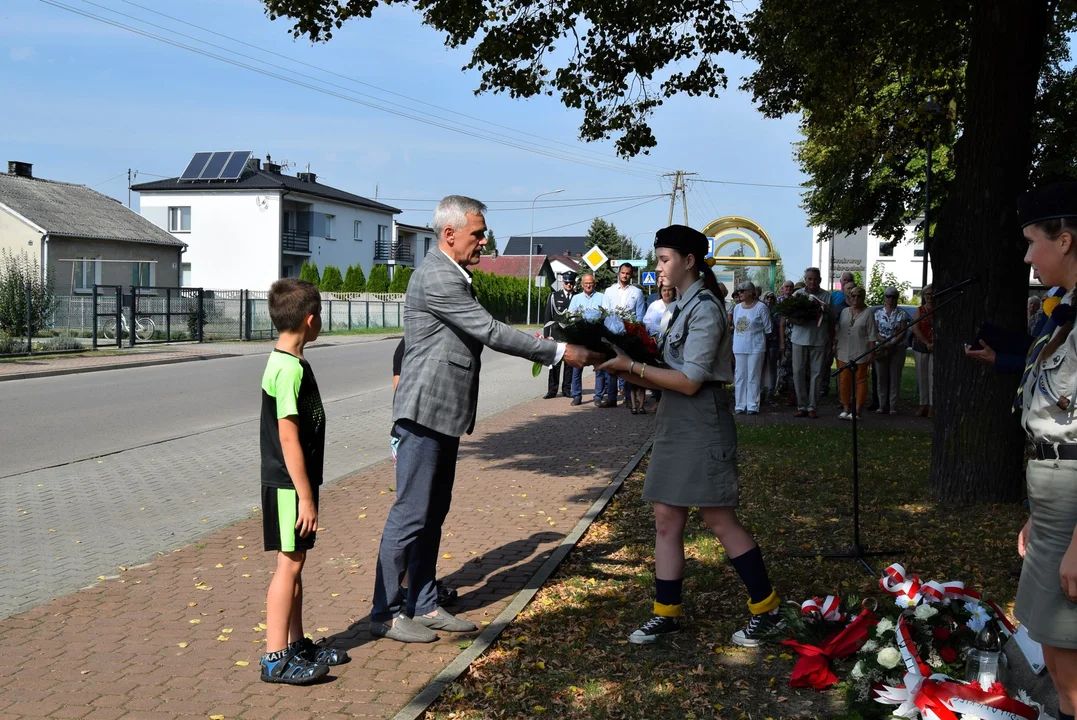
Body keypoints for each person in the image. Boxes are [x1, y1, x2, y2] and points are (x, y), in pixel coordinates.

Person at [371, 196, 600, 644]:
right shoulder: (437, 274)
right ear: (449, 233)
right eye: (478, 233)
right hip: (423, 412)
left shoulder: (454, 273)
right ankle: (384, 612)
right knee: (411, 514)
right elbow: (490, 331)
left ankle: (423, 603)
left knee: (431, 514)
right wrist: (560, 352)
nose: (485, 240)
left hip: (442, 414)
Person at [597, 224, 784, 647]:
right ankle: (666, 614)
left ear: (689, 261)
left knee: (718, 517)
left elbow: (691, 380)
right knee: (666, 520)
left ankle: (768, 609)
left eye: (664, 260)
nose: (658, 268)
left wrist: (631, 368)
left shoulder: (705, 307)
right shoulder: (682, 304)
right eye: (658, 259)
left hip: (701, 419)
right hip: (676, 421)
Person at [258, 279, 346, 684]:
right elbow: (289, 437)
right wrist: (306, 497)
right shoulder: (288, 369)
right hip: (290, 487)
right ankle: (275, 657)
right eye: (321, 315)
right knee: (288, 566)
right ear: (311, 321)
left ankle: (295, 644)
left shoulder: (289, 363)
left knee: (295, 563)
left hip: (294, 486)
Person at [1013, 180, 1077, 720]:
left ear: (1066, 240)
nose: (1029, 255)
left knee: (1072, 670)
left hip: (1074, 512)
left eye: (1034, 241)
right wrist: (1039, 512)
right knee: (1056, 656)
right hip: (1054, 500)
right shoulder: (1065, 313)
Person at [391, 337, 457, 608]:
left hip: (430, 434)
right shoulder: (409, 344)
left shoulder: (428, 339)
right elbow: (401, 394)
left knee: (428, 514)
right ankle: (407, 587)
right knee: (412, 514)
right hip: (413, 435)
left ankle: (421, 586)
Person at [790, 268, 832, 419]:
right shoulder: (797, 295)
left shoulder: (826, 296)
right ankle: (801, 405)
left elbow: (830, 319)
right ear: (805, 279)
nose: (812, 282)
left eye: (815, 279)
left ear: (819, 280)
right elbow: (789, 317)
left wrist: (830, 340)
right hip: (798, 338)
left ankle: (812, 406)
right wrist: (798, 319)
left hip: (818, 339)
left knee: (817, 373)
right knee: (798, 372)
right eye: (809, 279)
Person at [603, 262, 646, 408]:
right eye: (623, 273)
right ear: (618, 273)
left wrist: (635, 330)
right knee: (612, 366)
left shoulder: (637, 292)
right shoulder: (609, 291)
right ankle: (611, 398)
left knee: (629, 366)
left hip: (629, 334)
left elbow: (640, 316)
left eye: (628, 273)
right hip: (612, 334)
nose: (625, 276)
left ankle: (629, 398)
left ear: (631, 275)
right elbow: (605, 313)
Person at [833, 285, 877, 420]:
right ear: (849, 297)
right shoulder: (845, 311)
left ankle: (857, 410)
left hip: (861, 351)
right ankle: (846, 408)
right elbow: (839, 330)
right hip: (843, 350)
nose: (856, 298)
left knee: (861, 380)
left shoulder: (868, 312)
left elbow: (872, 335)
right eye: (853, 296)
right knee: (844, 380)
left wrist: (871, 352)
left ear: (863, 297)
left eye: (859, 296)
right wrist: (834, 345)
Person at [732, 281, 772, 414]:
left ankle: (752, 405)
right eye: (739, 291)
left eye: (742, 291)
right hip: (739, 347)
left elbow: (768, 329)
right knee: (740, 376)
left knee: (753, 377)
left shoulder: (761, 308)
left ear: (751, 292)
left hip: (756, 347)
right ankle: (740, 405)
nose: (740, 294)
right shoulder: (737, 308)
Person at [568, 272, 606, 406]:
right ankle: (576, 395)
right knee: (577, 368)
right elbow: (570, 316)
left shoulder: (602, 297)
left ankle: (598, 396)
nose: (588, 285)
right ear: (582, 285)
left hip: (596, 337)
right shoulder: (576, 298)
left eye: (591, 283)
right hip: (580, 338)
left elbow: (606, 314)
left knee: (599, 367)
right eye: (586, 283)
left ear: (594, 284)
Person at [873, 287, 910, 414]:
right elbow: (875, 331)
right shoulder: (878, 313)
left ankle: (893, 405)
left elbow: (902, 331)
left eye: (893, 296)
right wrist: (884, 342)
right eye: (888, 296)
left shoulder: (902, 313)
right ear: (884, 298)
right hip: (881, 347)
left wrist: (893, 342)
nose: (890, 299)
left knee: (895, 376)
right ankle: (882, 405)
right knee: (881, 376)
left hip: (897, 347)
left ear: (897, 299)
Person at [643, 281, 677, 409]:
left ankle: (671, 398)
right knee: (657, 369)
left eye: (669, 290)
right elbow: (647, 321)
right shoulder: (654, 306)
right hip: (656, 341)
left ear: (673, 291)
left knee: (670, 369)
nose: (667, 293)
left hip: (673, 342)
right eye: (664, 290)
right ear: (660, 292)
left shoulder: (677, 305)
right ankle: (658, 398)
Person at [543, 272, 577, 399]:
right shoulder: (554, 296)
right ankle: (552, 390)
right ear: (562, 282)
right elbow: (548, 317)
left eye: (571, 283)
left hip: (571, 336)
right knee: (554, 364)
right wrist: (546, 336)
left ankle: (567, 389)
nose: (569, 285)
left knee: (569, 365)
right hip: (556, 335)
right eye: (567, 282)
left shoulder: (577, 297)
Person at [911, 284, 935, 418]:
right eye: (927, 294)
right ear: (924, 296)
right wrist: (927, 343)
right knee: (922, 376)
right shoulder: (919, 310)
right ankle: (923, 403)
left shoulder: (940, 310)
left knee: (932, 377)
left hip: (935, 347)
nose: (930, 297)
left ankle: (932, 405)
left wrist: (934, 343)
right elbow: (916, 329)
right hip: (921, 346)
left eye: (932, 294)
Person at [761, 291, 779, 399]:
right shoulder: (761, 309)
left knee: (772, 366)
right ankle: (762, 390)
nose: (769, 299)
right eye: (767, 297)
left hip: (773, 341)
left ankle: (771, 391)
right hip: (762, 341)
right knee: (762, 367)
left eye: (772, 297)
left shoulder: (777, 311)